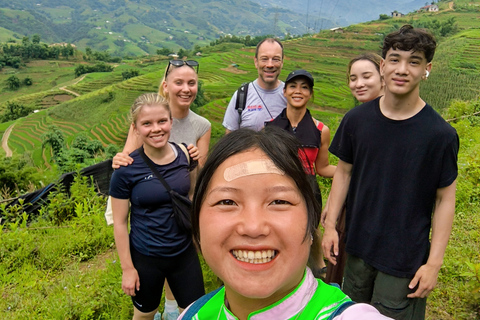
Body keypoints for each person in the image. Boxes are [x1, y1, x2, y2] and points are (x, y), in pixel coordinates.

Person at [177, 127, 392, 320]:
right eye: (227, 201)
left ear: (311, 223)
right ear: (197, 223)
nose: (253, 227)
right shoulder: (192, 314)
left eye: (279, 201)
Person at [322, 25, 459, 320]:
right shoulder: (357, 120)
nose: (402, 69)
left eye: (414, 61)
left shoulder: (439, 135)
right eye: (395, 59)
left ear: (427, 69)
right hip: (357, 246)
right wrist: (331, 226)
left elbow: (445, 199)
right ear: (383, 65)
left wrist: (433, 263)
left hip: (404, 259)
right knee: (351, 312)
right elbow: (343, 173)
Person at [111, 60, 211, 320]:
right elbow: (120, 223)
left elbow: (190, 196)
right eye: (147, 124)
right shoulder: (126, 170)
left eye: (162, 122)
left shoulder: (185, 155)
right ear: (136, 128)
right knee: (145, 315)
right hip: (146, 256)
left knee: (193, 313)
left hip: (183, 253)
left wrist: (197, 238)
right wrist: (127, 268)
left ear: (170, 122)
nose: (156, 129)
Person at [266, 69, 336, 278]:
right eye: (293, 86)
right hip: (277, 192)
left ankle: (312, 278)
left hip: (309, 192)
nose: (298, 91)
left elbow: (322, 168)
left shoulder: (321, 130)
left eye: (304, 87)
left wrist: (352, 169)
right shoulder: (270, 129)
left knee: (308, 235)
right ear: (284, 92)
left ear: (310, 94)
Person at [323, 53, 385, 285]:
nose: (358, 84)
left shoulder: (398, 119)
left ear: (383, 76)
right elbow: (344, 170)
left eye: (366, 76)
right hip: (353, 208)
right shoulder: (355, 119)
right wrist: (332, 206)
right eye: (353, 78)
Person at [222, 38, 287, 133]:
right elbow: (229, 139)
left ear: (282, 63)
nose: (270, 65)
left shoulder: (290, 95)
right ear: (256, 62)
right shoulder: (241, 95)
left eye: (275, 59)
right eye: (264, 59)